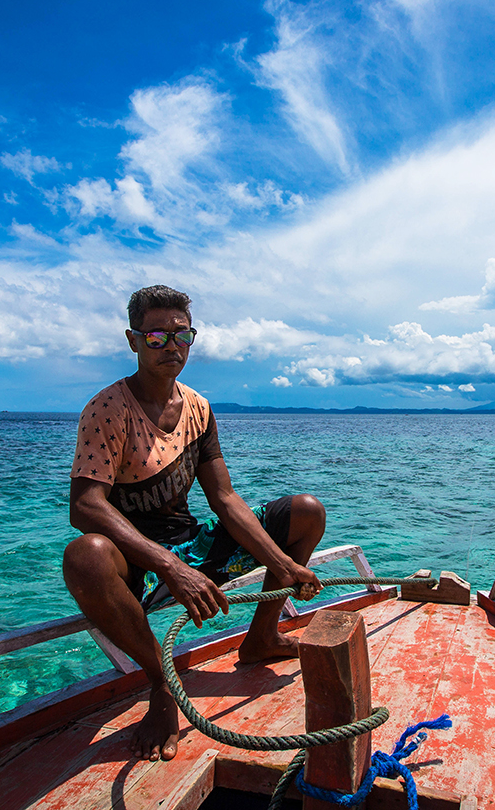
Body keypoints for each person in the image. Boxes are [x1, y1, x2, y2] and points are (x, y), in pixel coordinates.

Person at [62, 284, 326, 762]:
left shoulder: (199, 408)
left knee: (306, 510)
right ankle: (161, 685)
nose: (171, 347)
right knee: (85, 556)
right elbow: (85, 506)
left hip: (188, 544)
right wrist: (170, 568)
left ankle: (261, 638)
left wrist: (283, 565)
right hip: (137, 561)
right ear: (133, 341)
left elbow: (223, 499)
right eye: (156, 337)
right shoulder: (108, 409)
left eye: (181, 336)